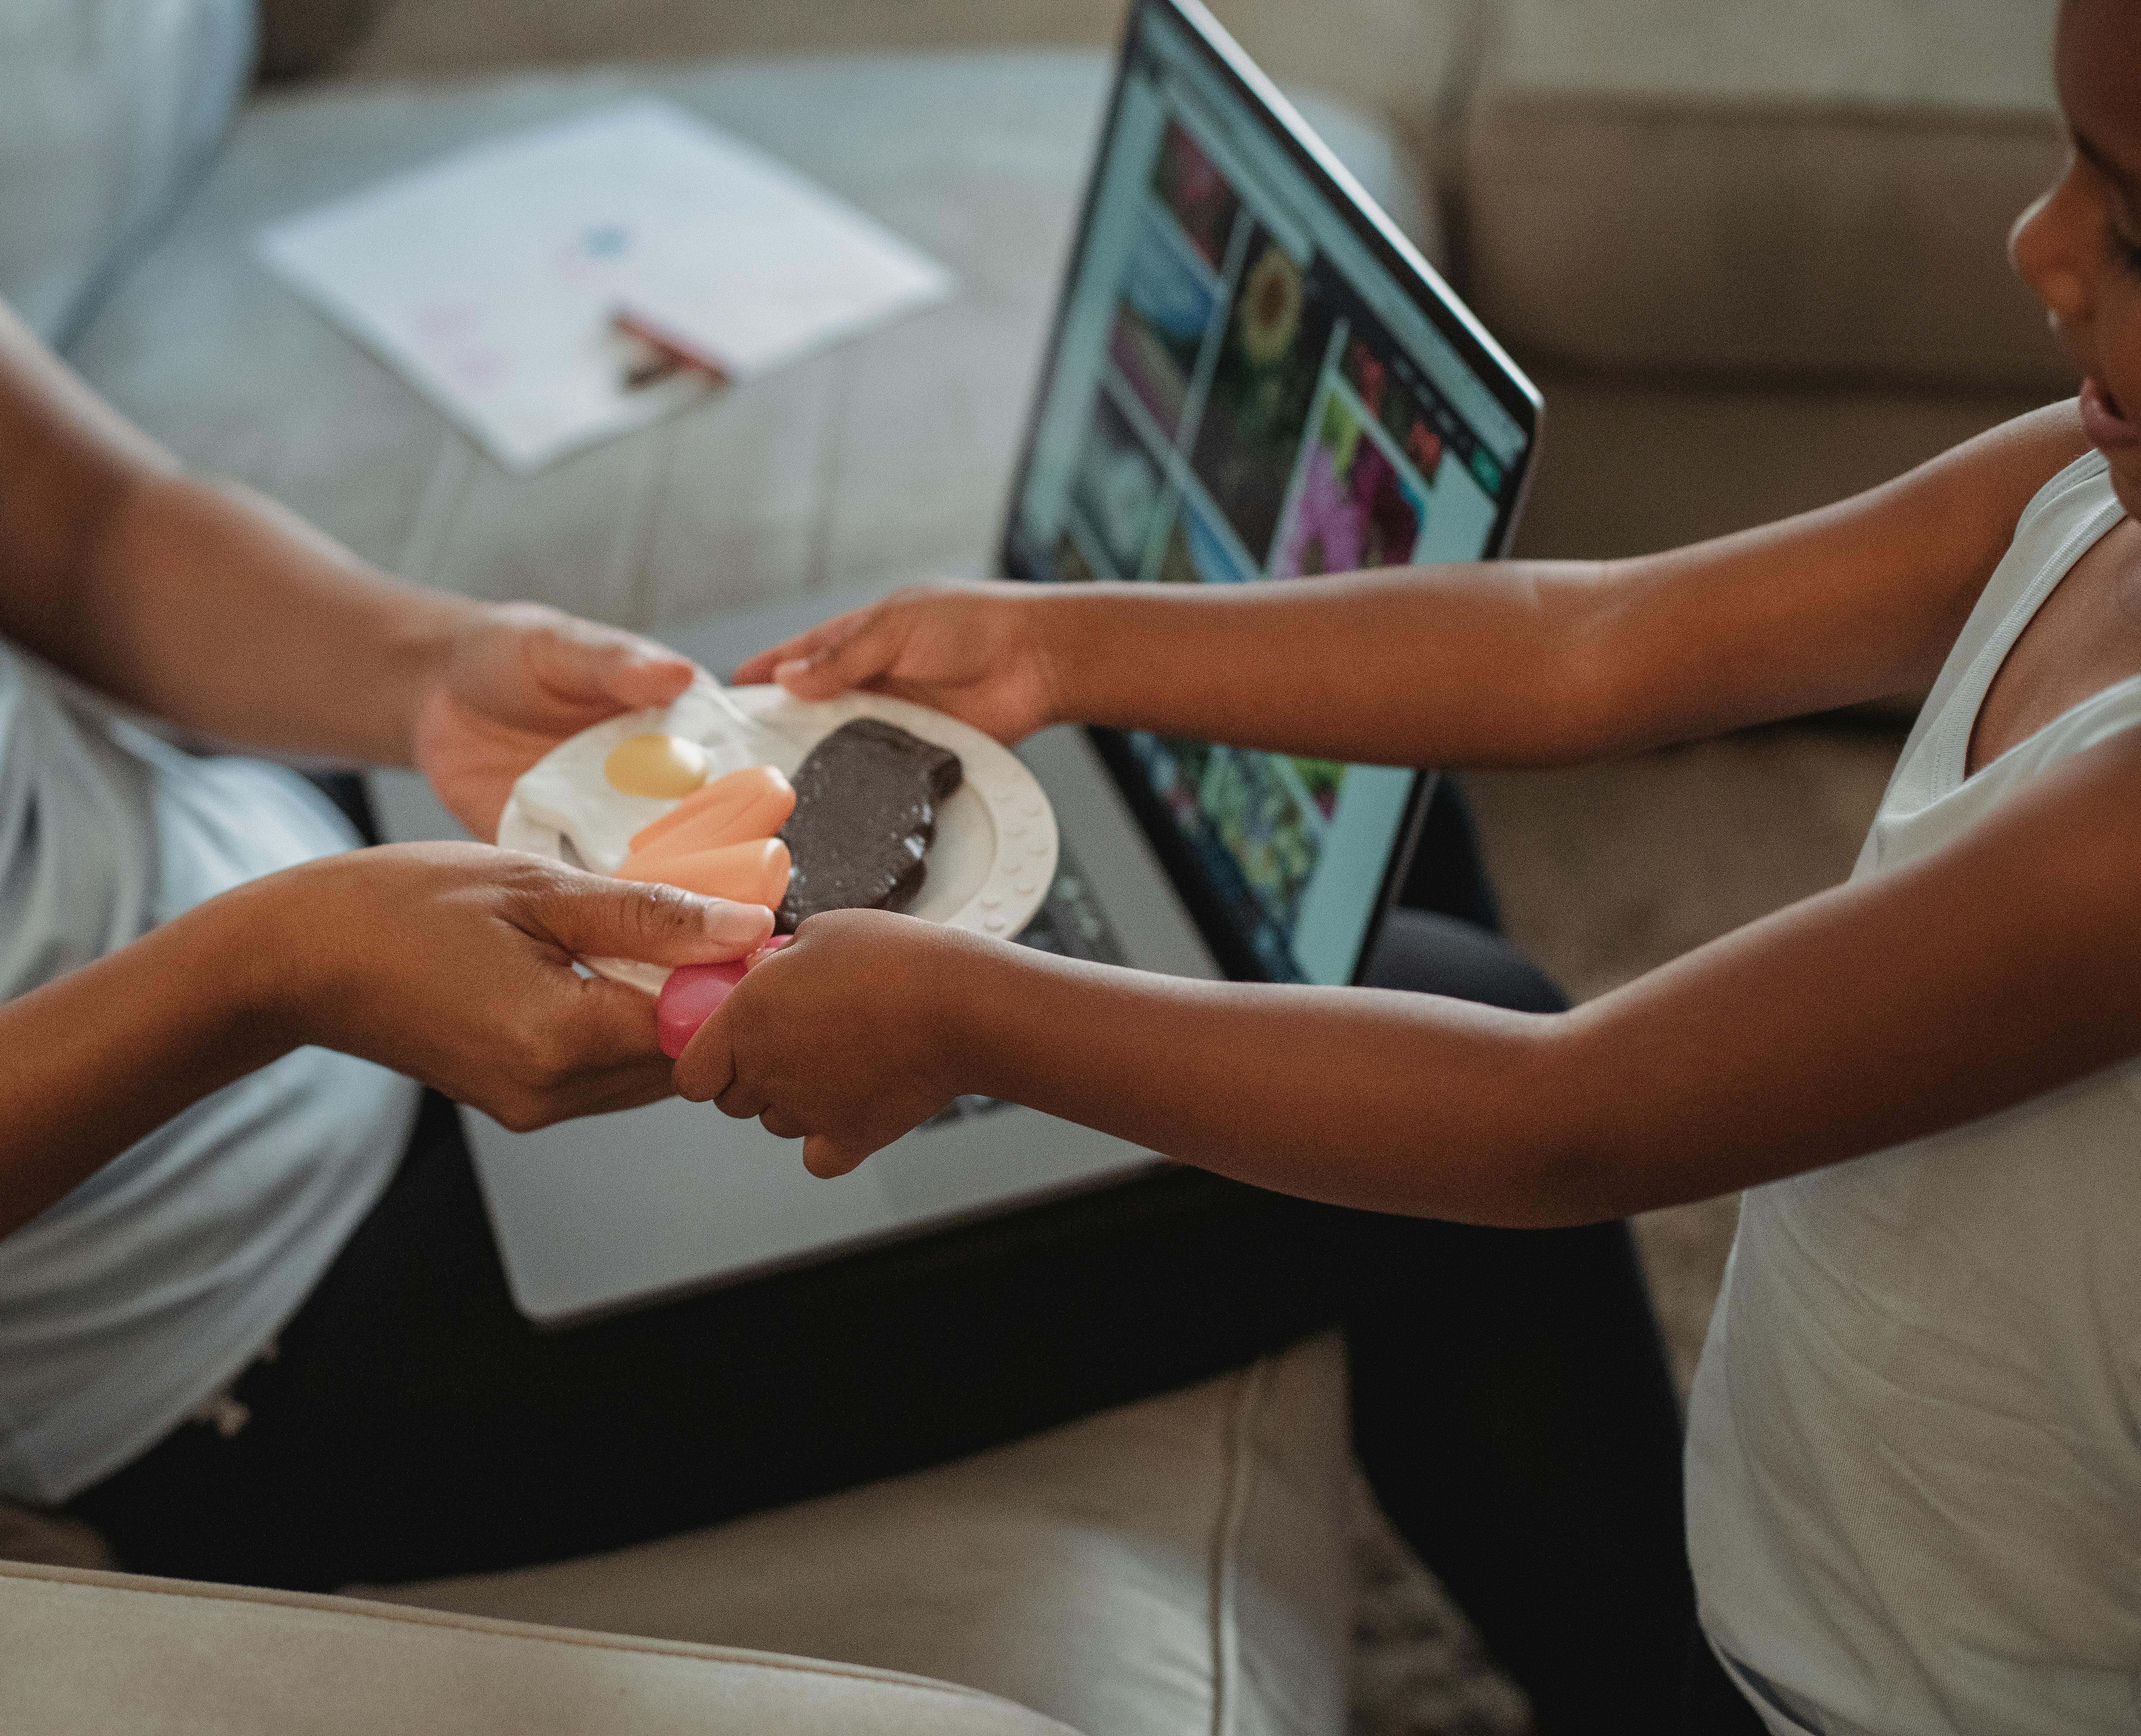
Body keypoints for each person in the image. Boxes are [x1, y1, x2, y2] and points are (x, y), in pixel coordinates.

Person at [0, 7, 1709, 1732]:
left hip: (323, 903)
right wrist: (246, 981)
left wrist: (429, 673)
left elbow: (87, 526)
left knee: (1342, 806)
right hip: (216, 1321)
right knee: (1469, 1052)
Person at [681, 2, 2141, 1729]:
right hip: (1807, 1557)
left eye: (2129, 218)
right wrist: (1062, 646)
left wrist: (978, 1020)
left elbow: (1569, 1121)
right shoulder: (2084, 489)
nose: (2035, 244)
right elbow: (1595, 641)